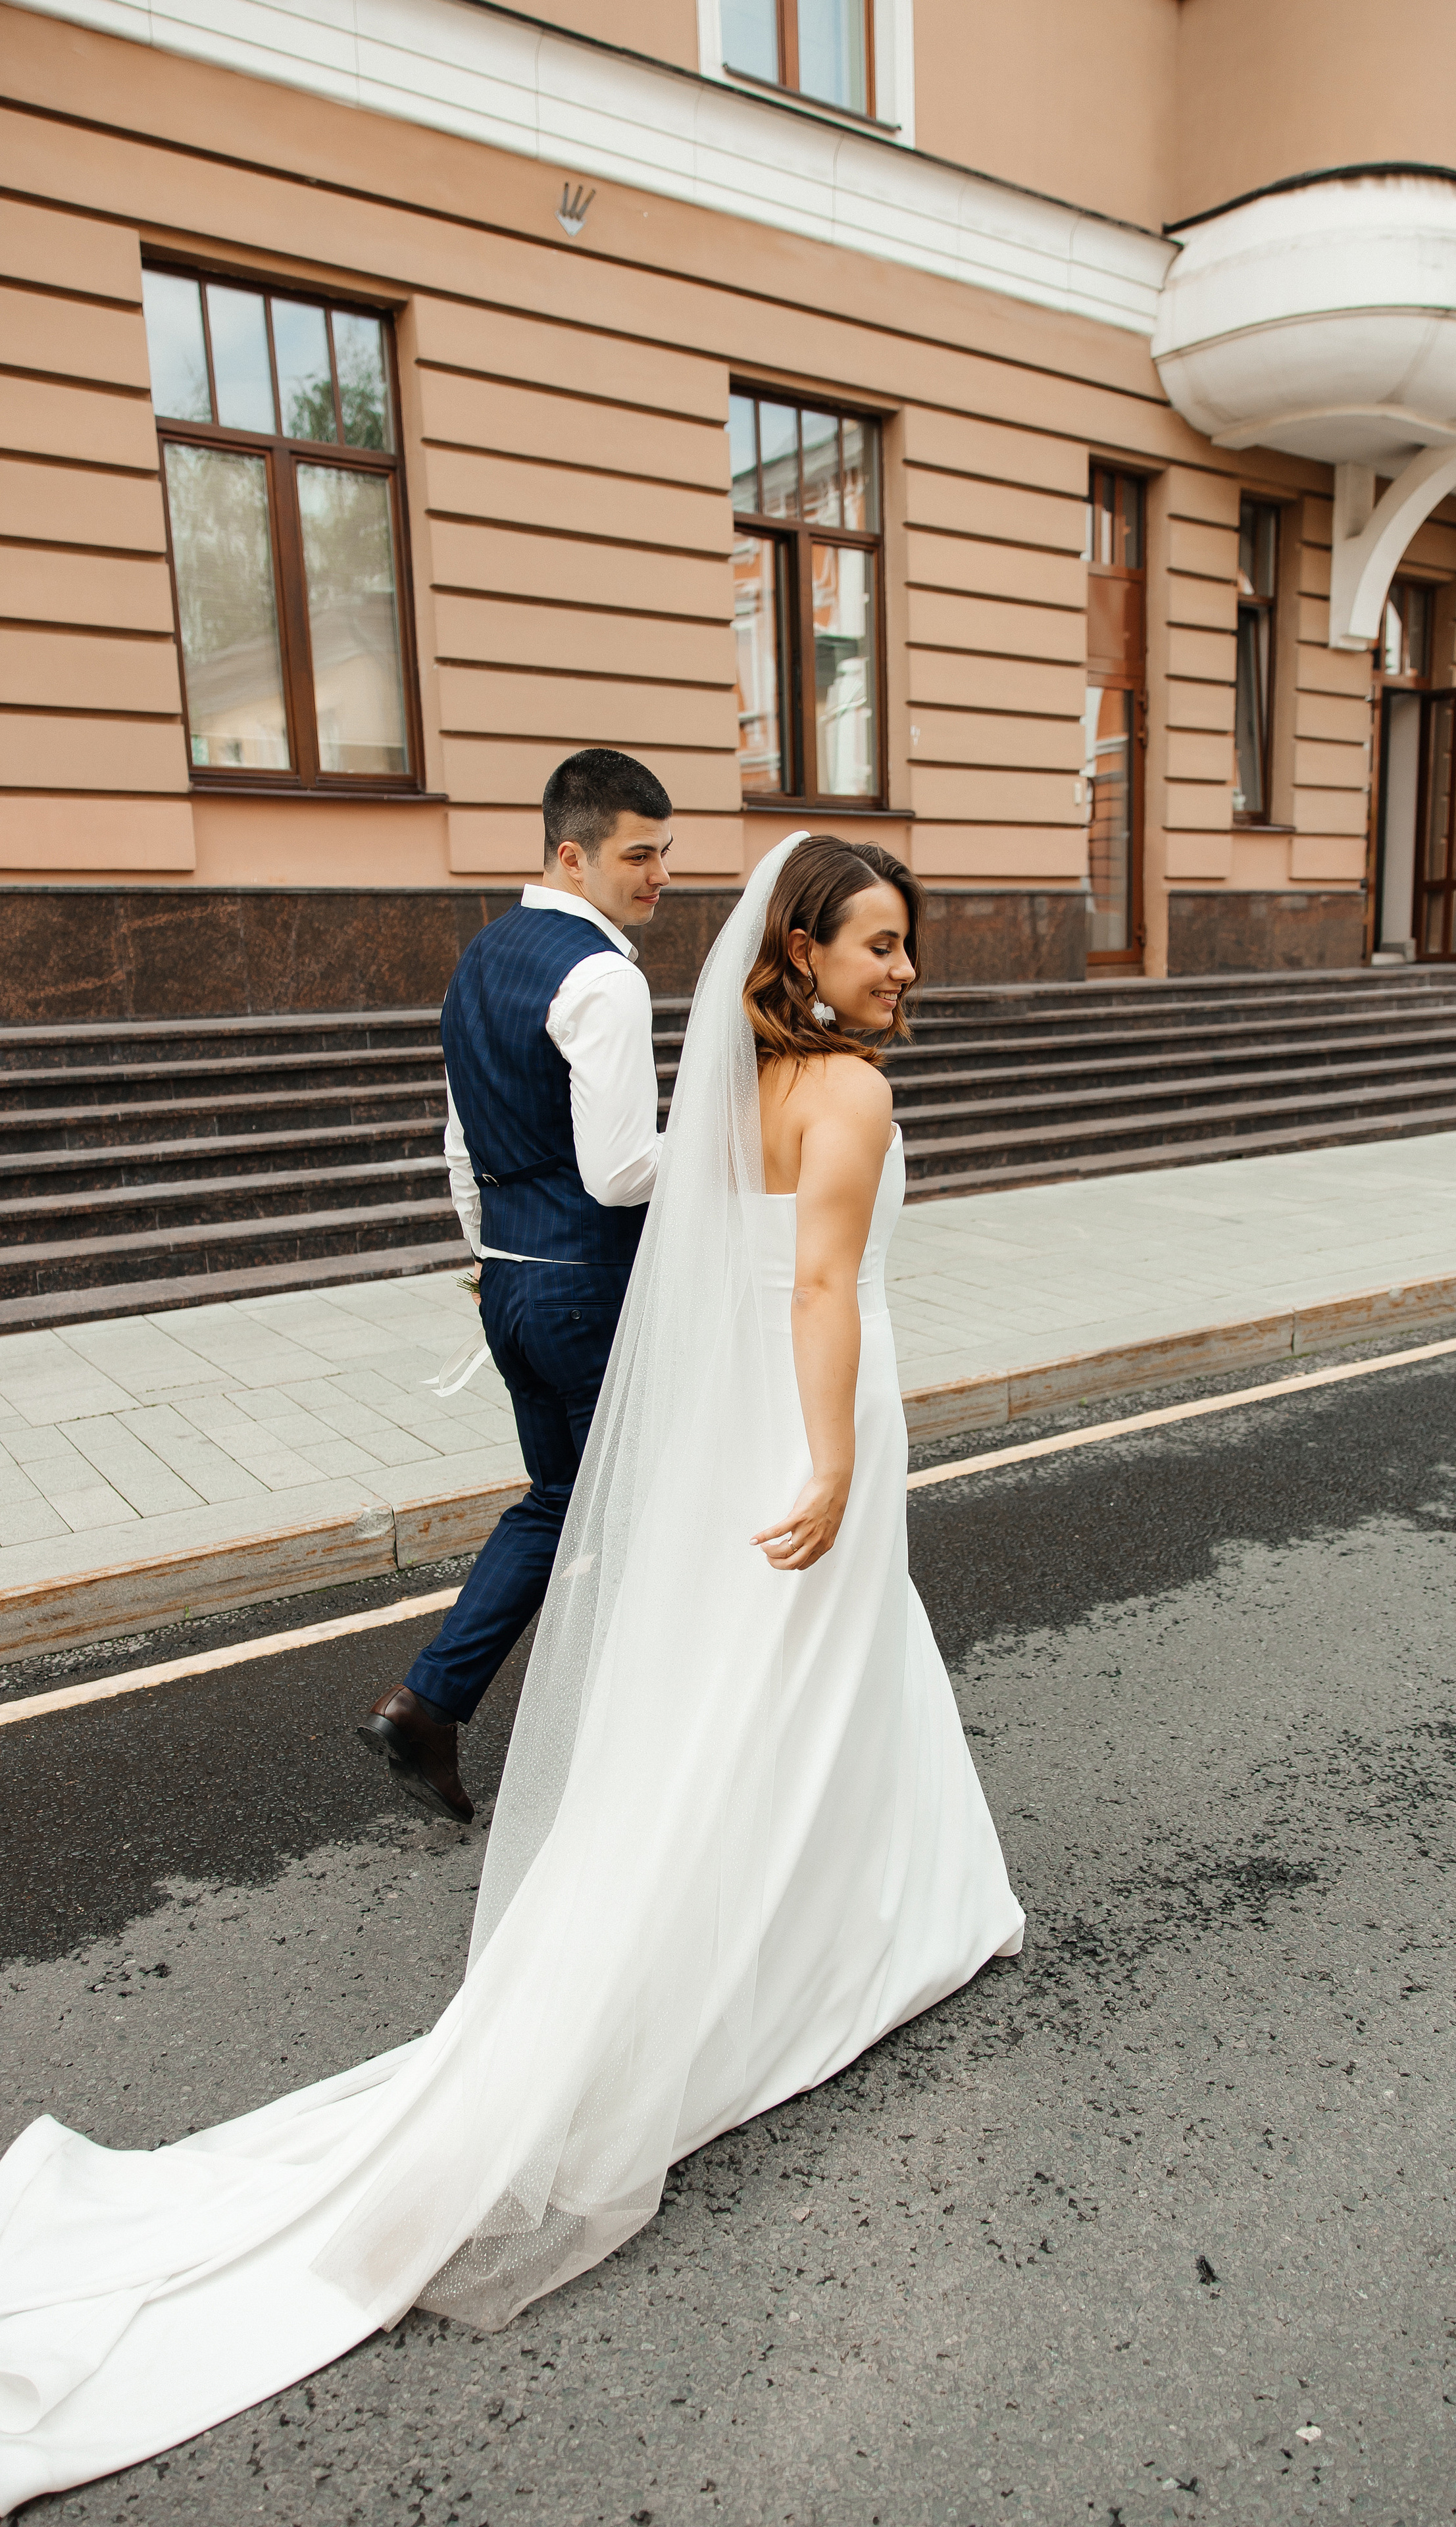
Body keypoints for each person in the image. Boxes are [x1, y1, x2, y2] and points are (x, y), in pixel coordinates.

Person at [0, 833, 1024, 2511]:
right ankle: (846, 1938)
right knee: (801, 1680)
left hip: (730, 1420)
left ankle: (897, 1912)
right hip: (805, 1417)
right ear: (805, 950)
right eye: (880, 945)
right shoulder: (846, 1095)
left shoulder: (743, 1076)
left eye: (909, 945)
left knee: (758, 1697)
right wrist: (831, 1466)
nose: (903, 971)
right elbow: (825, 1285)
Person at [360, 746, 673, 1824]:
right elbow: (624, 1169)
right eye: (639, 855)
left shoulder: (482, 959)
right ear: (571, 853)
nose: (658, 877)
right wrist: (741, 1139)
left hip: (512, 1285)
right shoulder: (604, 976)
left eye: (663, 855)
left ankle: (428, 1704)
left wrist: (491, 1260)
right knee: (643, 1516)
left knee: (559, 1501)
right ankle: (635, 1766)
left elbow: (460, 1147)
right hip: (587, 1286)